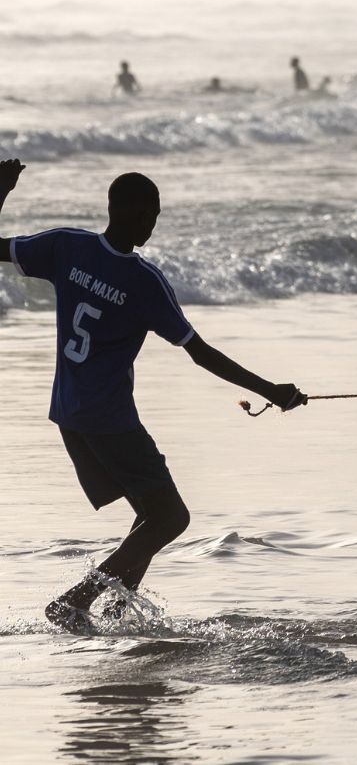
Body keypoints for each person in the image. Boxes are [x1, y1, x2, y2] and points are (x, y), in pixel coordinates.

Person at [1, 161, 305, 630]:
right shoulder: (144, 282)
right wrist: (272, 390)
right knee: (172, 519)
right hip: (110, 418)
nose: (152, 226)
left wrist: (0, 193)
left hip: (68, 412)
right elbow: (200, 353)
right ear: (120, 210)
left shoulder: (67, 245)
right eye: (147, 215)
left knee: (150, 511)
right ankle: (75, 601)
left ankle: (122, 614)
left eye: (156, 216)